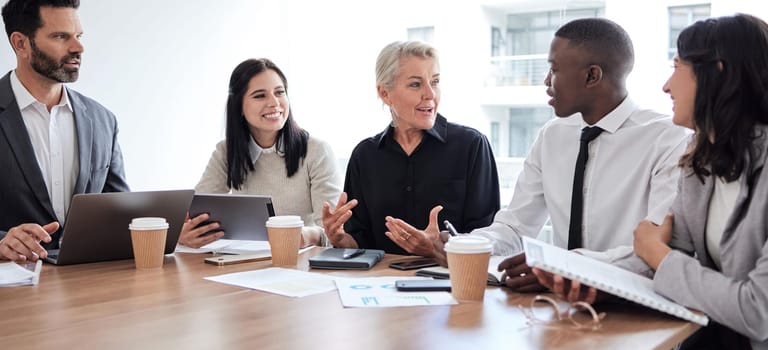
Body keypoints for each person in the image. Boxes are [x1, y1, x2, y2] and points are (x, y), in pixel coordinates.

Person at [384, 18, 689, 291]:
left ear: (592, 76)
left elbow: (656, 250)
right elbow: (515, 228)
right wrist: (458, 245)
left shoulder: (667, 138)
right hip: (557, 303)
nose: (545, 80)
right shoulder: (553, 135)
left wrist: (563, 266)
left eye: (554, 70)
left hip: (632, 307)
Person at [536, 13, 768, 349]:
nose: (666, 86)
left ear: (716, 73)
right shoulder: (700, 157)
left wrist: (658, 255)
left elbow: (757, 312)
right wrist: (583, 276)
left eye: (677, 67)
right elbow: (665, 252)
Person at [322, 40, 500, 255]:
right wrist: (340, 238)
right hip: (376, 283)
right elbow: (360, 242)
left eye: (434, 82)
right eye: (416, 84)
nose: (430, 94)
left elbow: (487, 236)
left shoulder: (472, 145)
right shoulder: (365, 156)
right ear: (385, 93)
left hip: (450, 281)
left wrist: (437, 248)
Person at [0, 0, 130, 262]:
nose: (78, 47)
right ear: (20, 43)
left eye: (78, 36)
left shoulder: (102, 119)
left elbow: (120, 210)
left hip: (88, 284)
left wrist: (167, 229)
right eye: (61, 36)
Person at [179, 58, 342, 249]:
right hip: (245, 261)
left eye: (279, 92)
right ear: (239, 105)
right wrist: (183, 234)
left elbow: (333, 232)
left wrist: (307, 236)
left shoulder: (317, 151)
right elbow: (194, 213)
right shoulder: (226, 152)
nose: (274, 103)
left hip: (300, 261)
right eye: (260, 96)